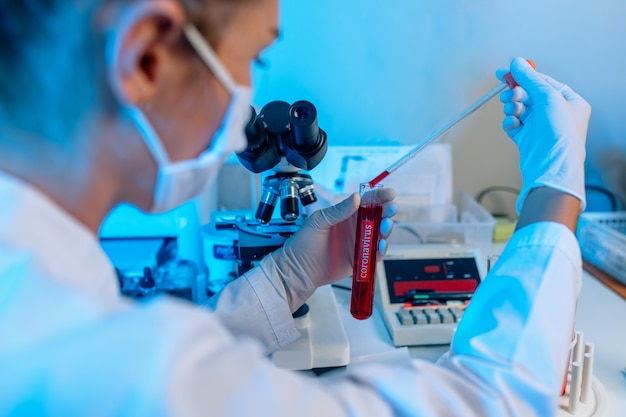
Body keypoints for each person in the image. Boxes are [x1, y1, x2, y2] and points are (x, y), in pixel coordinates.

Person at [0, 1, 590, 416]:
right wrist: (554, 191)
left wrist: (287, 278)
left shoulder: (34, 289)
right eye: (253, 60)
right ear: (146, 57)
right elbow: (497, 401)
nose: (248, 99)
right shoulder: (112, 370)